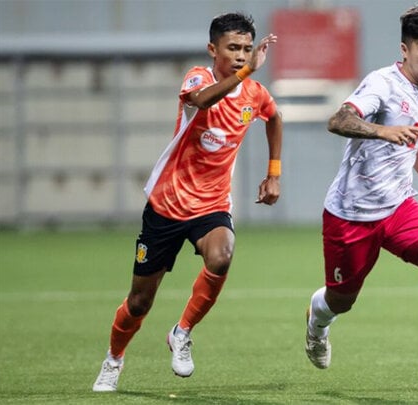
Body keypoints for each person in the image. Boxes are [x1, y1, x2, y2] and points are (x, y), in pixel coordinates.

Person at [92, 12, 282, 392]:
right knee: (139, 302)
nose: (242, 56)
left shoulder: (255, 95)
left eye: (247, 49)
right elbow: (201, 100)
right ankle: (114, 359)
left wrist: (273, 172)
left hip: (211, 206)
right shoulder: (199, 77)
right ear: (213, 49)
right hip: (167, 206)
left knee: (222, 254)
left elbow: (274, 119)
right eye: (233, 48)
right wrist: (245, 74)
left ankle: (182, 331)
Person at [303, 5, 418, 385]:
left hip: (399, 205)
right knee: (342, 300)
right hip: (351, 213)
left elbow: (413, 140)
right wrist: (382, 131)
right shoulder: (381, 84)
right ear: (405, 50)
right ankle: (317, 322)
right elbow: (339, 120)